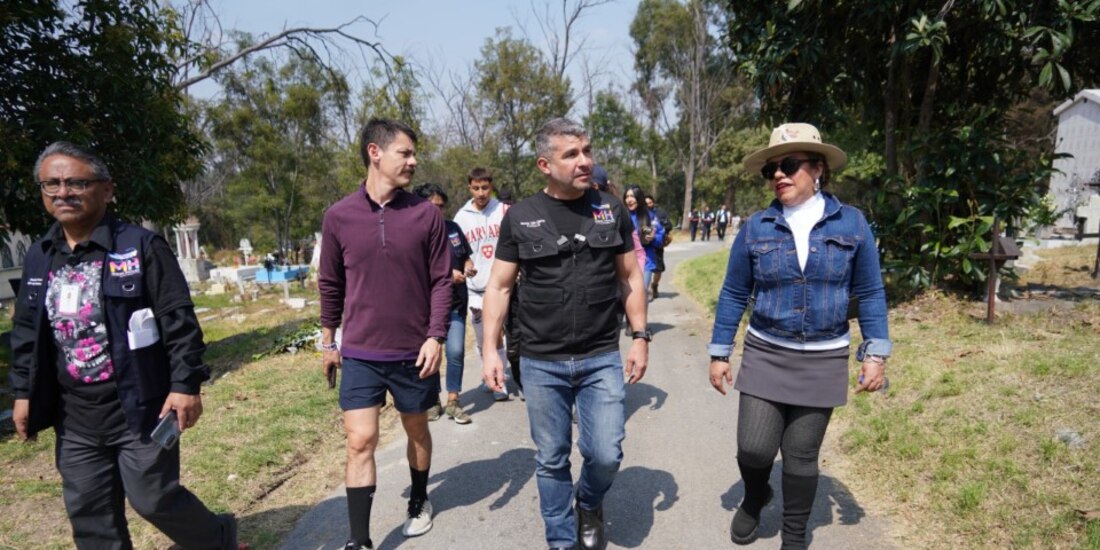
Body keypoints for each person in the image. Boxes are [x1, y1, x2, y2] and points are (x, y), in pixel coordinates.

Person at [9, 141, 244, 549]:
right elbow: (27, 330)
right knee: (90, 515)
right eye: (51, 184)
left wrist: (185, 384)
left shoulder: (140, 247)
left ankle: (217, 537)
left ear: (106, 189)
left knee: (154, 498)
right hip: (75, 416)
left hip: (141, 406)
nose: (63, 192)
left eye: (76, 183)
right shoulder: (39, 256)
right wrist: (23, 394)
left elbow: (179, 321)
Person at [707, 123, 891, 549]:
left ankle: (793, 538)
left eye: (789, 165)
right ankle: (756, 496)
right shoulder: (757, 227)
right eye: (771, 168)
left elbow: (870, 291)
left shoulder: (853, 223)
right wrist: (720, 352)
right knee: (754, 450)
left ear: (818, 168)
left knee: (801, 456)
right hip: (767, 350)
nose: (778, 174)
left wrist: (875, 353)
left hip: (825, 356)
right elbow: (734, 292)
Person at [480, 118, 650, 550]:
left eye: (587, 151)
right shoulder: (520, 217)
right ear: (545, 164)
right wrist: (490, 351)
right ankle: (560, 539)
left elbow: (630, 276)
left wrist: (640, 336)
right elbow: (499, 287)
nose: (584, 161)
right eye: (571, 154)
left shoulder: (610, 210)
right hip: (541, 361)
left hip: (600, 356)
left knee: (606, 453)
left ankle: (589, 502)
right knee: (552, 458)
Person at [318, 118, 451, 549]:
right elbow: (330, 284)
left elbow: (441, 281)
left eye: (414, 154)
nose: (413, 161)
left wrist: (435, 336)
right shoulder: (339, 216)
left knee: (416, 430)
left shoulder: (426, 215)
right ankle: (359, 540)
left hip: (415, 352)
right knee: (360, 441)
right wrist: (328, 342)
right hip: (360, 352)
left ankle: (419, 498)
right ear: (375, 153)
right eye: (405, 153)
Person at [414, 183, 476, 425]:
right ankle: (432, 400)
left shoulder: (453, 229)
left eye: (441, 207)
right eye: (433, 206)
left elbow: (466, 256)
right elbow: (415, 270)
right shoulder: (414, 233)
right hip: (426, 308)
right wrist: (447, 276)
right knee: (431, 355)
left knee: (456, 351)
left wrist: (468, 266)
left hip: (455, 305)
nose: (438, 211)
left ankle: (453, 401)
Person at [453, 167, 514, 401]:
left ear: (492, 186)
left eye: (485, 188)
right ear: (469, 188)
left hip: (500, 286)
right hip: (475, 288)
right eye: (476, 188)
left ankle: (500, 382)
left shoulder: (503, 211)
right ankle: (491, 373)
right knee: (483, 337)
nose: (481, 193)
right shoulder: (462, 217)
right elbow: (457, 251)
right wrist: (464, 265)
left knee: (496, 333)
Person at [623, 185, 665, 304]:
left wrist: (653, 238)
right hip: (625, 262)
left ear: (639, 198)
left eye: (632, 196)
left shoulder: (650, 216)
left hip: (646, 262)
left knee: (642, 294)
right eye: (627, 196)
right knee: (627, 296)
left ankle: (641, 317)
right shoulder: (621, 215)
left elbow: (660, 239)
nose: (629, 200)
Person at [644, 195, 673, 299]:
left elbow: (669, 226)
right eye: (646, 203)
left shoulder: (661, 213)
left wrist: (663, 227)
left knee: (658, 269)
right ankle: (647, 291)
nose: (648, 205)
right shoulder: (640, 213)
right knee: (646, 268)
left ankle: (654, 285)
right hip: (645, 245)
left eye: (650, 203)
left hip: (657, 244)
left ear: (653, 202)